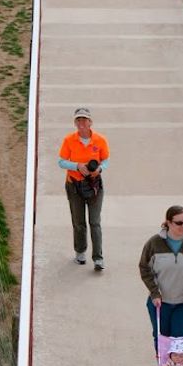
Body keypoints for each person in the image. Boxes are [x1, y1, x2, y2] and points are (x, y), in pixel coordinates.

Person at [139, 205, 183, 350]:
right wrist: (154, 292)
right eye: (179, 223)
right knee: (161, 338)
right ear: (168, 223)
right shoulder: (154, 243)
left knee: (180, 341)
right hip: (160, 303)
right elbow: (144, 268)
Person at [58, 107, 110, 271]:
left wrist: (99, 169)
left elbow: (106, 160)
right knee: (78, 222)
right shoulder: (69, 140)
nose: (81, 123)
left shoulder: (100, 140)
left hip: (94, 187)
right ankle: (80, 253)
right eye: (78, 120)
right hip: (74, 185)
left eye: (84, 120)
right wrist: (77, 166)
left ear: (90, 122)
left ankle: (98, 258)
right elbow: (61, 161)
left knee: (95, 222)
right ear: (75, 123)